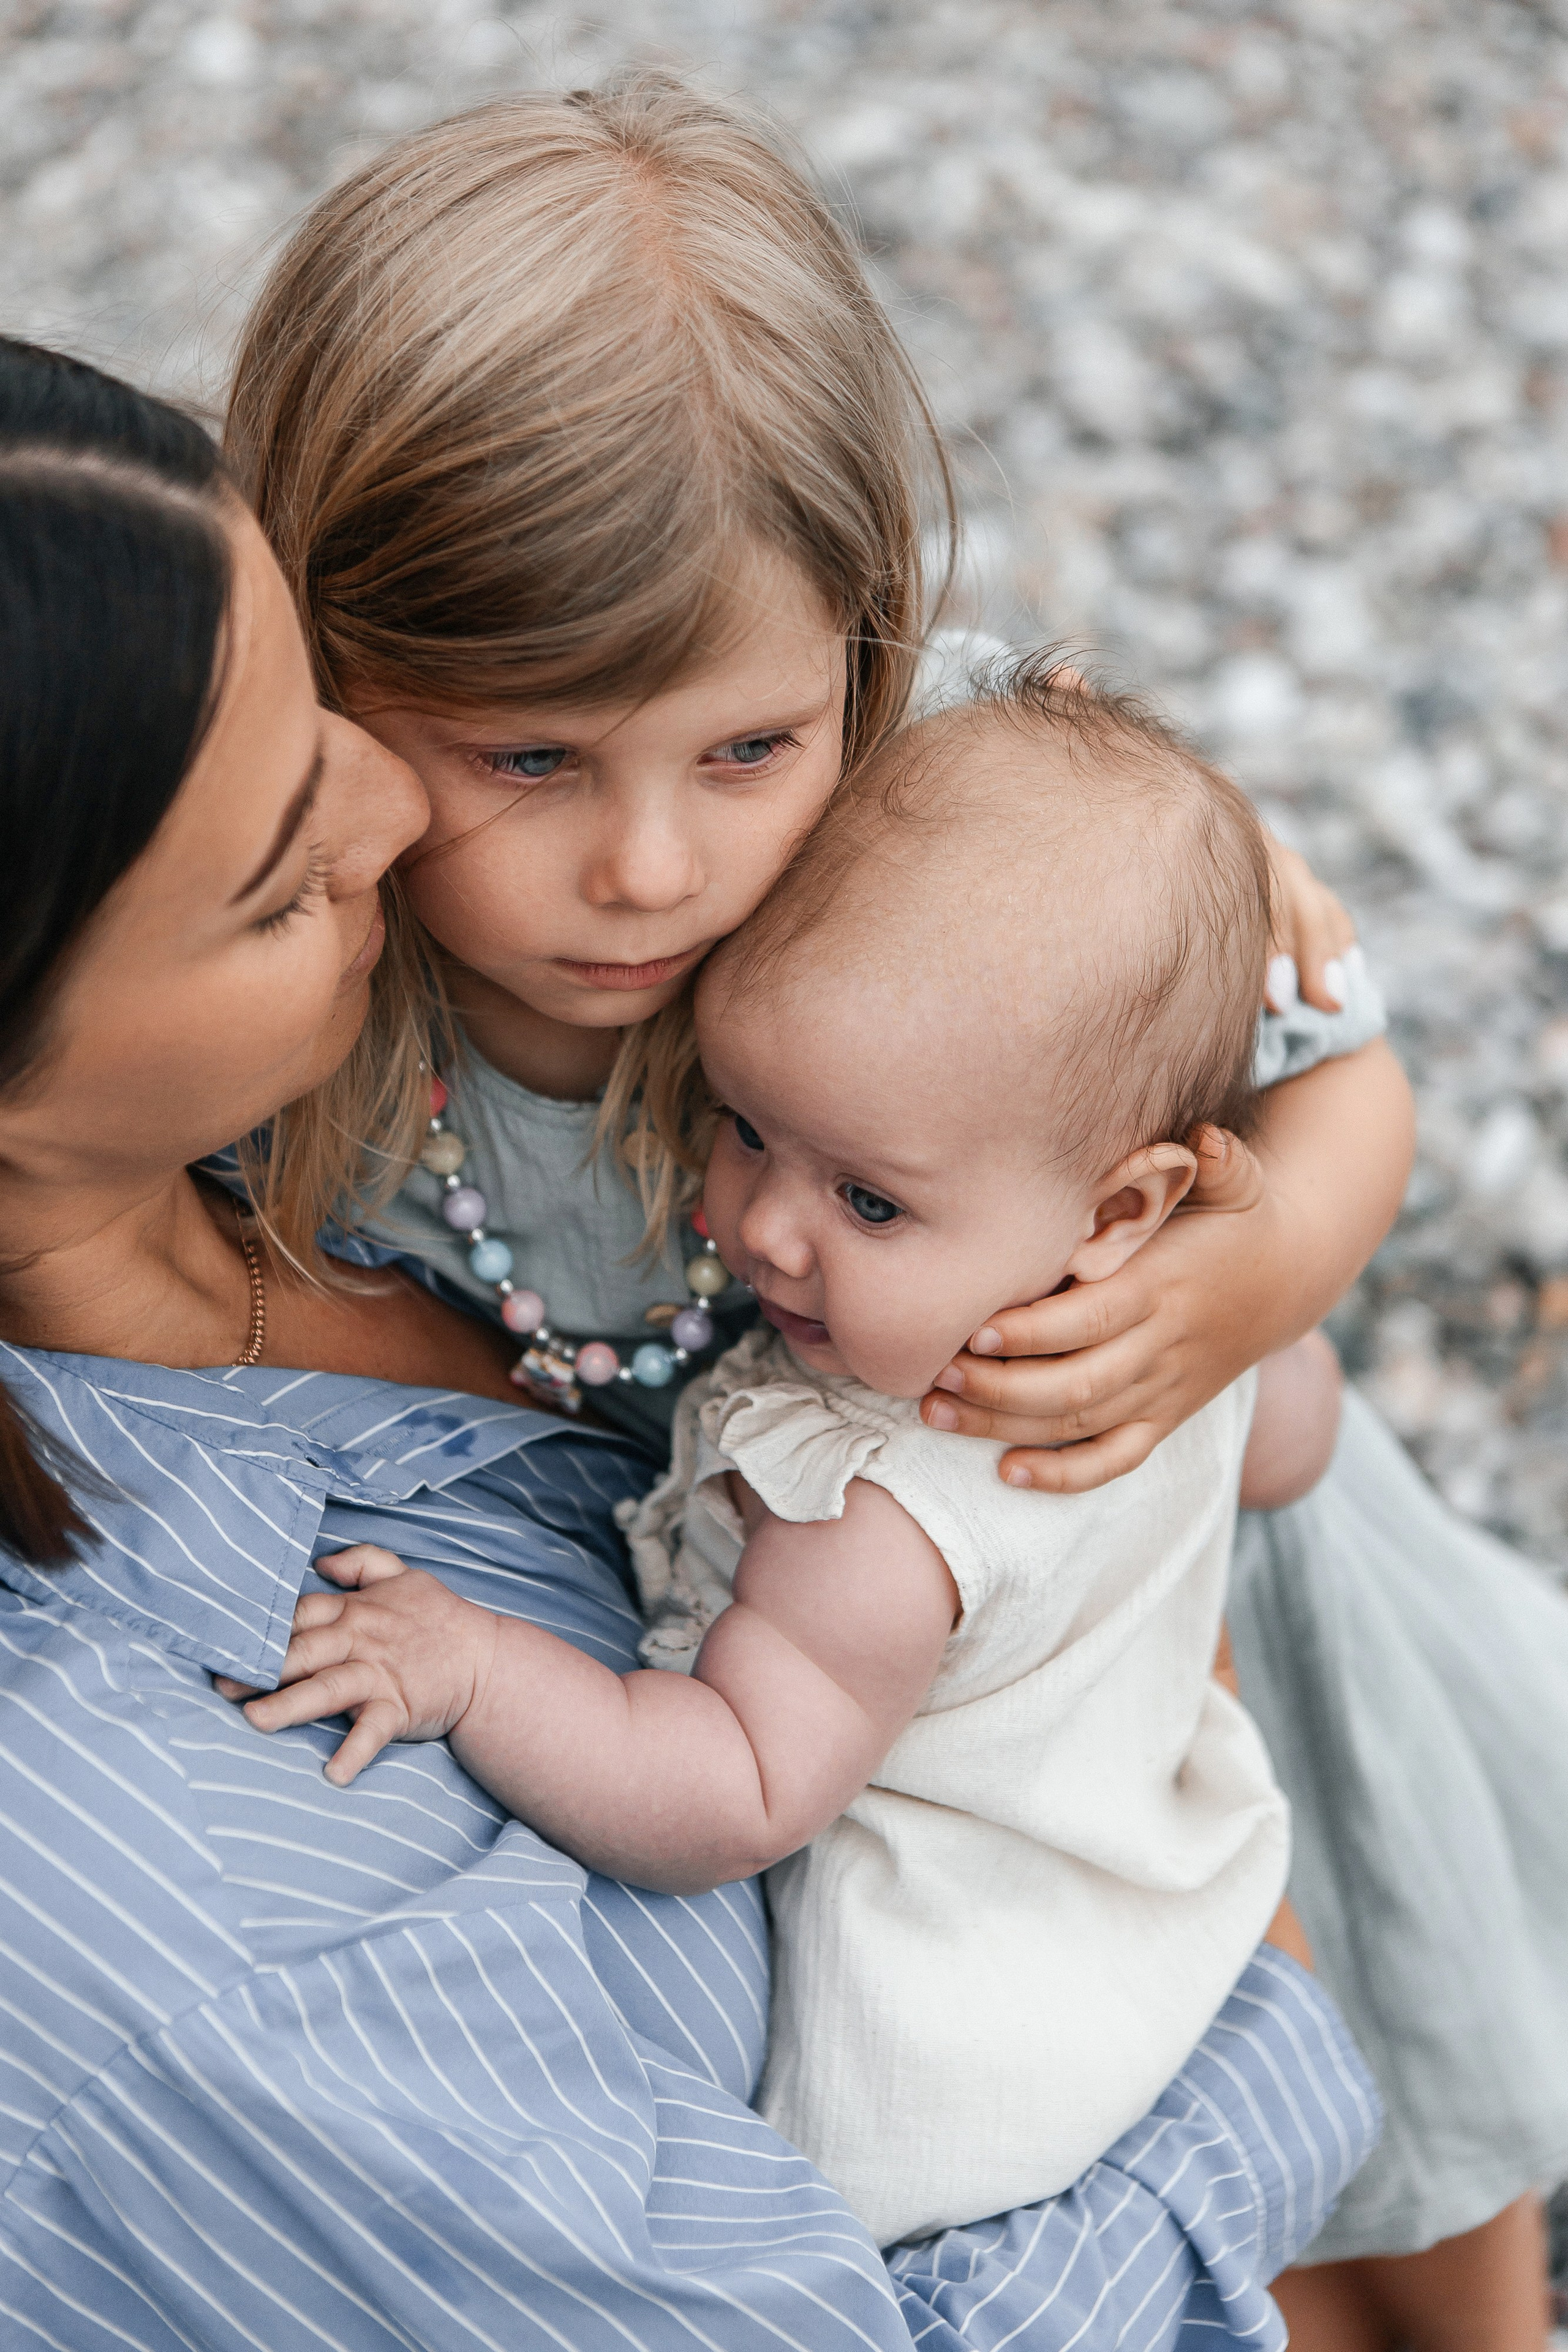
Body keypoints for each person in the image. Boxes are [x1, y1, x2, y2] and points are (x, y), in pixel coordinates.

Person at [222, 77, 1566, 2344]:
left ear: (860, 645)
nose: (651, 867)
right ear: (336, 680)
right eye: (530, 757)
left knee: (1388, 2007)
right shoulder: (294, 969)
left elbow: (1342, 1080)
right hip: (831, 1676)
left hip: (1156, 1561)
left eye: (746, 749)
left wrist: (1252, 1276)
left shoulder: (951, 809)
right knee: (1135, 2099)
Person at [0, 339, 1374, 2352]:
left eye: (322, 703)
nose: (399, 796)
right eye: (283, 868)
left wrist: (1162, 884)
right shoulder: (201, 1955)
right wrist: (1273, 2020)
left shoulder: (416, 1065)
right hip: (1092, 2085)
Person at [239, 662, 1331, 2255]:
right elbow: (1295, 1444)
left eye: (869, 1202)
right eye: (747, 1126)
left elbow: (730, 1788)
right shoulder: (1191, 1335)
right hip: (1154, 1894)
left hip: (933, 2068)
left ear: (1117, 1211)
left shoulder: (865, 1511)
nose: (766, 1229)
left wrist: (471, 1668)